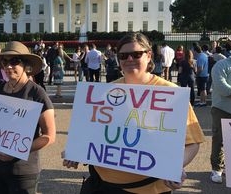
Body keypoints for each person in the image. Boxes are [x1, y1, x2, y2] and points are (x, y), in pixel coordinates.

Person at [63, 32, 204, 193]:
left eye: (136, 54)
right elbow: (90, 134)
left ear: (149, 55)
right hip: (101, 186)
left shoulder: (171, 94)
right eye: (123, 56)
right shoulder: (105, 91)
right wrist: (76, 152)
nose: (129, 59)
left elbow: (192, 143)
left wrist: (175, 166)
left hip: (149, 189)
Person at [0, 41, 56, 194]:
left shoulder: (36, 94)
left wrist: (16, 151)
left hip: (22, 171)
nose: (8, 66)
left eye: (14, 61)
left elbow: (49, 136)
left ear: (26, 65)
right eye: (5, 61)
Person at [209, 39, 231, 184]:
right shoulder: (222, 65)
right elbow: (221, 86)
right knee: (219, 140)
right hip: (222, 108)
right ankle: (216, 169)